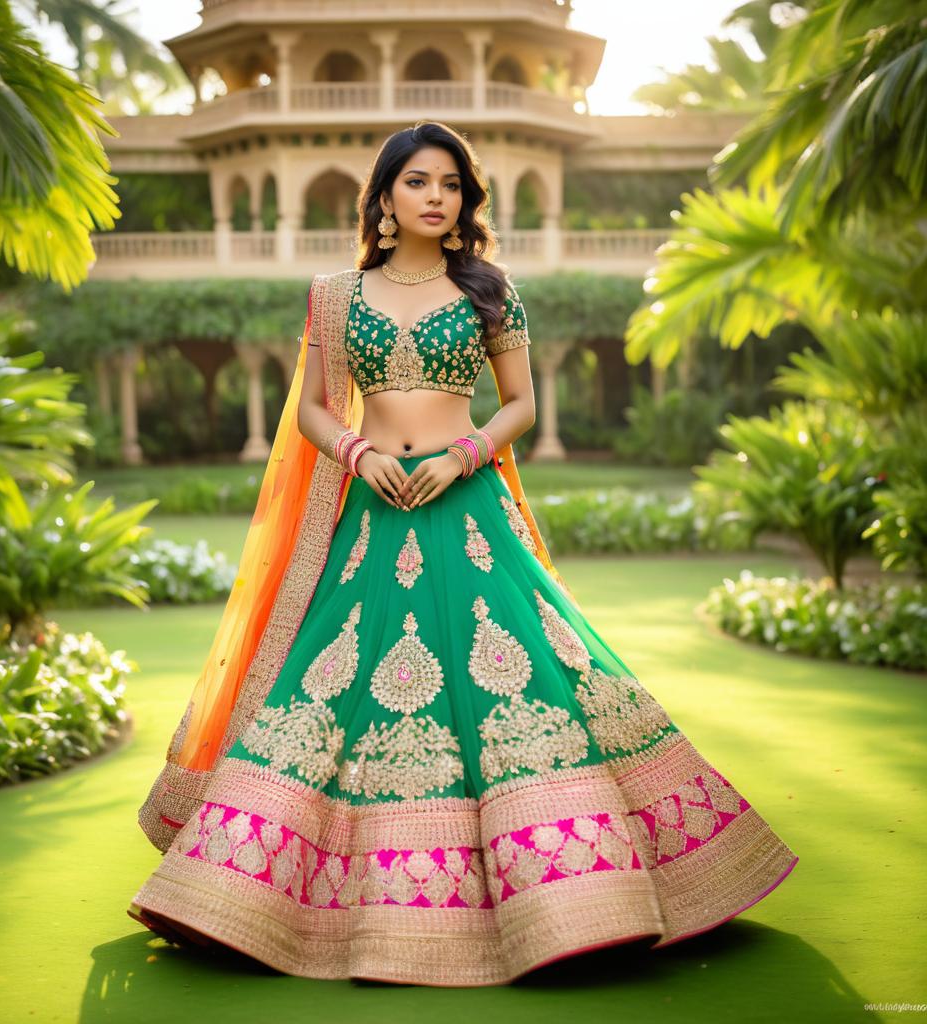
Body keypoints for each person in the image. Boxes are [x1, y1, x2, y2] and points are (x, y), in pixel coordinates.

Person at [127, 120, 798, 987]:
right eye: (417, 182)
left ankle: (574, 896)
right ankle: (269, 899)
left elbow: (518, 403)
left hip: (469, 505)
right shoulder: (335, 292)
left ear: (465, 199)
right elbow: (314, 412)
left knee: (527, 674)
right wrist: (363, 455)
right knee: (335, 686)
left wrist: (461, 455)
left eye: (450, 184)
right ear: (384, 195)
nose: (436, 197)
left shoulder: (489, 289)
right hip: (370, 516)